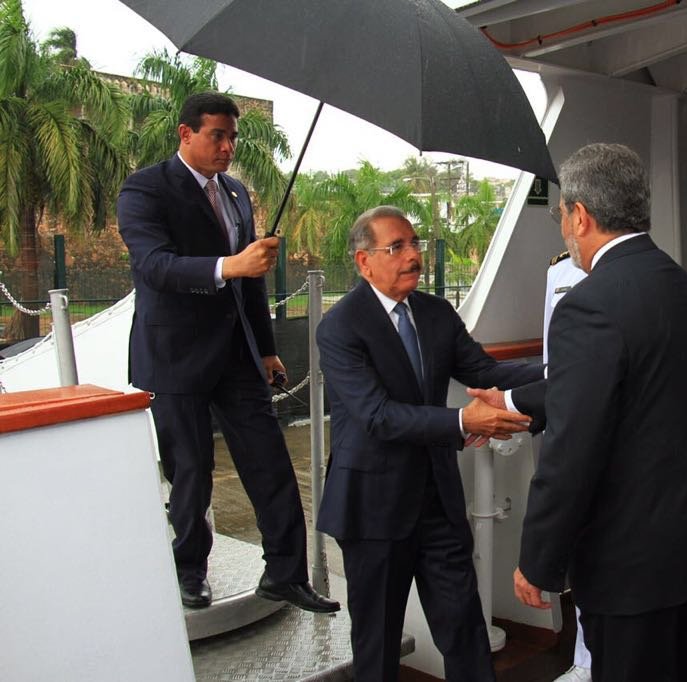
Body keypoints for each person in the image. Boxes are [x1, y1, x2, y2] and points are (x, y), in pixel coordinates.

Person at [478, 143, 687, 681]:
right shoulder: (680, 283)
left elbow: (571, 452)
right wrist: (511, 401)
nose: (563, 228)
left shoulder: (588, 304)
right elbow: (632, 386)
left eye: (562, 215)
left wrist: (538, 560)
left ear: (580, 217)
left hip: (638, 568)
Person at [117, 92, 337, 613]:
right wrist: (229, 265)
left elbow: (251, 282)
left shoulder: (236, 193)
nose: (228, 147)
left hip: (238, 355)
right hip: (175, 356)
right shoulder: (145, 188)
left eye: (233, 137)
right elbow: (154, 266)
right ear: (185, 133)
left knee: (270, 462)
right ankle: (189, 570)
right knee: (191, 473)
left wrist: (266, 349)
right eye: (218, 135)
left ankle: (285, 573)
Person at [315, 206, 544, 682]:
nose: (413, 255)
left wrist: (562, 369)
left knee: (465, 629)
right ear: (364, 262)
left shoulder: (436, 313)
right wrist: (462, 420)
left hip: (438, 502)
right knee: (377, 644)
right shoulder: (339, 327)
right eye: (396, 247)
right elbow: (377, 415)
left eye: (415, 243)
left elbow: (484, 372)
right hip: (373, 510)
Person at [541, 250, 592, 682]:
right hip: (570, 431)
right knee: (580, 550)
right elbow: (550, 358)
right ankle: (585, 660)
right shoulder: (558, 271)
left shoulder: (630, 268)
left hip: (616, 435)